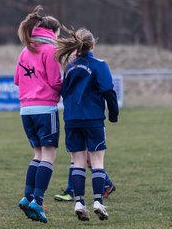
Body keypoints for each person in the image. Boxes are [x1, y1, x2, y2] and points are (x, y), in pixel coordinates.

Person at [55, 28, 119, 221]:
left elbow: (64, 92)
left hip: (72, 119)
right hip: (92, 119)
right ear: (93, 44)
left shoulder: (70, 67)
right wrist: (114, 114)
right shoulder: (99, 65)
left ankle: (79, 203)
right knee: (97, 161)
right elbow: (108, 90)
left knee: (78, 162)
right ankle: (98, 202)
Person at [15, 5, 62, 223]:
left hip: (26, 110)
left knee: (37, 155)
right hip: (45, 109)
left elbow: (17, 80)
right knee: (49, 156)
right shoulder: (50, 50)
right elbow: (55, 81)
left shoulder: (25, 50)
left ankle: (27, 197)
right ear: (53, 33)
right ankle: (38, 200)